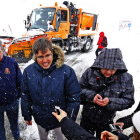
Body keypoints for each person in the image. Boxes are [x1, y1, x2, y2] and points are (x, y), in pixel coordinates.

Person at [21, 37, 81, 140]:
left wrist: (69, 119)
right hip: (40, 117)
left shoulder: (66, 71)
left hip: (59, 118)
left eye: (47, 55)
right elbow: (25, 95)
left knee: (60, 137)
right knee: (43, 137)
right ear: (35, 56)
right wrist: (26, 114)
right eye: (40, 57)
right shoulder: (28, 72)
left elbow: (74, 96)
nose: (45, 60)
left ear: (52, 53)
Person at [79, 48, 135, 138]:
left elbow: (129, 100)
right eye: (105, 68)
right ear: (99, 64)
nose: (109, 72)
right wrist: (91, 96)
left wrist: (110, 102)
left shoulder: (126, 78)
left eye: (113, 69)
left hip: (106, 121)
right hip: (87, 118)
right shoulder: (90, 72)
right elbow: (79, 88)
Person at [0, 40, 23, 140]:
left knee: (14, 124)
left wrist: (18, 95)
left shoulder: (11, 62)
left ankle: (17, 137)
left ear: (1, 50)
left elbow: (20, 80)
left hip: (12, 102)